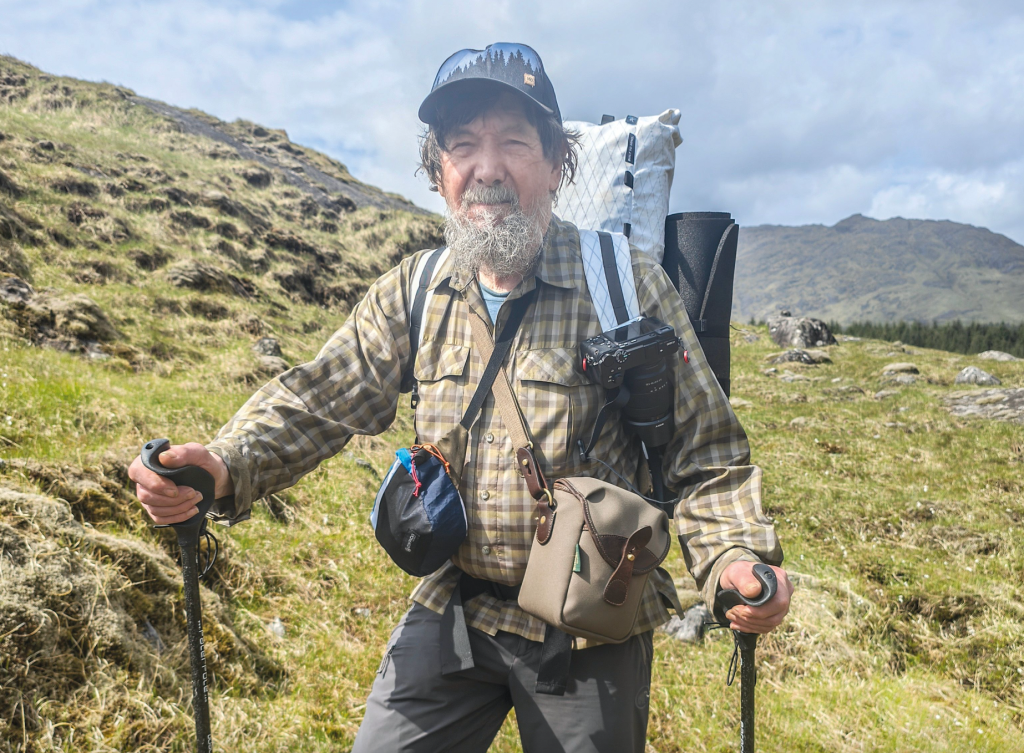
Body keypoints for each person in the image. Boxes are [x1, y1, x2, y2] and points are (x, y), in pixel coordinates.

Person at [130, 42, 793, 753]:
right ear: (438, 170)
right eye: (463, 145)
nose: (487, 168)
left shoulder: (624, 284)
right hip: (455, 608)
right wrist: (225, 463)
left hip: (590, 621)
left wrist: (734, 557)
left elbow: (706, 452)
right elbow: (320, 396)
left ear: (556, 163)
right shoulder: (415, 290)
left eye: (513, 140)